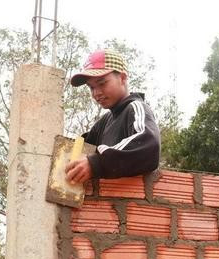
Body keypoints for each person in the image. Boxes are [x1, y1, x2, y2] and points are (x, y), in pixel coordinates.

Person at [65, 49, 160, 183]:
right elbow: (83, 149)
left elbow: (149, 145)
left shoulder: (135, 108)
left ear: (122, 78)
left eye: (102, 83)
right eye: (91, 87)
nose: (96, 93)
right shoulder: (103, 122)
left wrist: (95, 164)